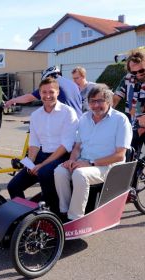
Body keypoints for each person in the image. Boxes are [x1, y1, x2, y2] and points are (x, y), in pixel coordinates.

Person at [54, 84, 132, 222]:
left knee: (80, 174)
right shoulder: (84, 118)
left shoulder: (121, 120)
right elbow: (77, 147)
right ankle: (63, 212)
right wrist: (72, 160)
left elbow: (120, 155)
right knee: (60, 171)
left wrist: (90, 163)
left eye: (100, 101)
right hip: (84, 162)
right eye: (92, 101)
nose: (95, 105)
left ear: (109, 101)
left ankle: (75, 218)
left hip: (109, 167)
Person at [7, 77, 78, 213]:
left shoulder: (68, 112)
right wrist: (31, 162)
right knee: (13, 186)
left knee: (44, 174)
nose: (47, 96)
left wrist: (42, 165)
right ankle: (25, 218)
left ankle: (55, 215)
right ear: (39, 94)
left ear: (57, 92)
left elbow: (66, 145)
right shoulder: (35, 115)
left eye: (51, 92)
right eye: (44, 92)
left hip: (62, 156)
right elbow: (34, 142)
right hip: (42, 156)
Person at [5, 66, 82, 118]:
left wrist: (12, 100)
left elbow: (28, 98)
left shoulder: (53, 85)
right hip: (79, 121)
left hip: (65, 122)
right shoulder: (73, 84)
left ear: (49, 76)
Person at [113, 49, 145, 153]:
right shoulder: (128, 78)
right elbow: (115, 98)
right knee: (130, 157)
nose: (138, 74)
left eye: (141, 70)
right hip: (133, 125)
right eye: (134, 72)